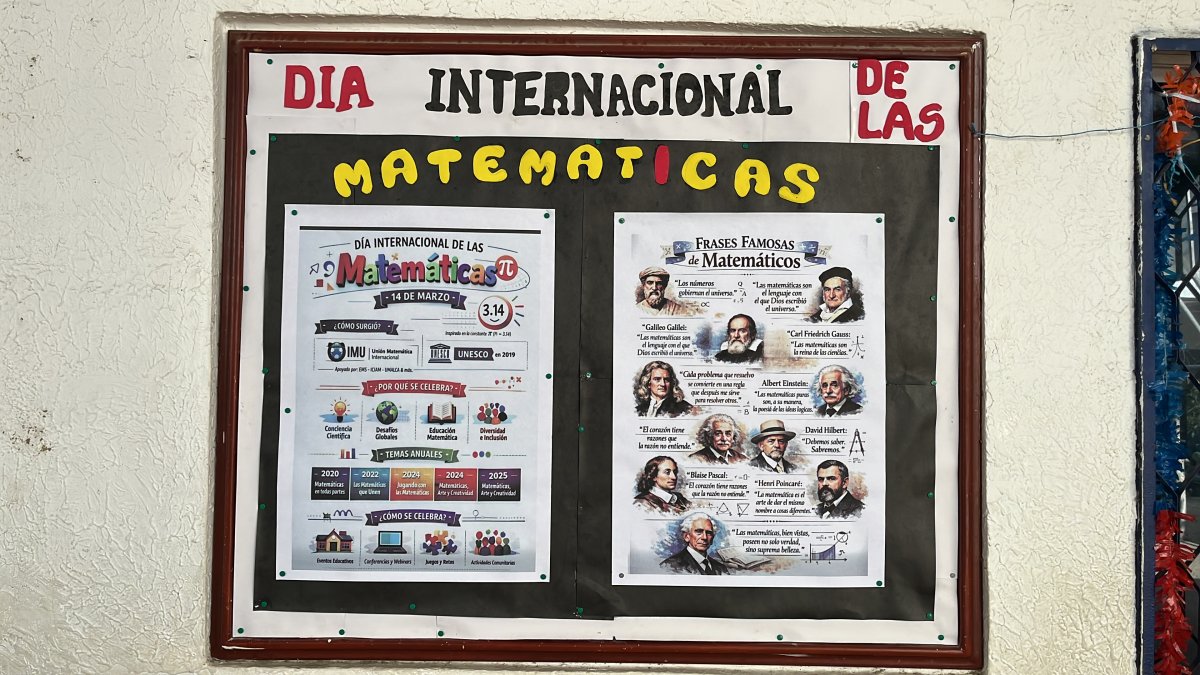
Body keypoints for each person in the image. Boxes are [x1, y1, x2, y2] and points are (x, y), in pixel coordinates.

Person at [659, 512, 729, 575]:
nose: (704, 537)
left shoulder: (721, 568)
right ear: (687, 536)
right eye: (699, 532)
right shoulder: (670, 566)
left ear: (712, 537)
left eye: (709, 533)